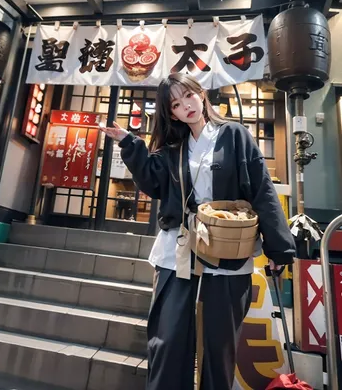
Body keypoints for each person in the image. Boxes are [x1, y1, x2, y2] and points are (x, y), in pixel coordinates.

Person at [100, 73, 295, 390]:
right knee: (169, 339)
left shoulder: (234, 135)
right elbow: (152, 182)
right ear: (171, 114)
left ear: (200, 94)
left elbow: (262, 191)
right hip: (178, 249)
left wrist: (278, 247)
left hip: (227, 247)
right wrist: (128, 142)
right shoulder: (174, 148)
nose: (185, 106)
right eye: (175, 104)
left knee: (217, 345)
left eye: (188, 95)